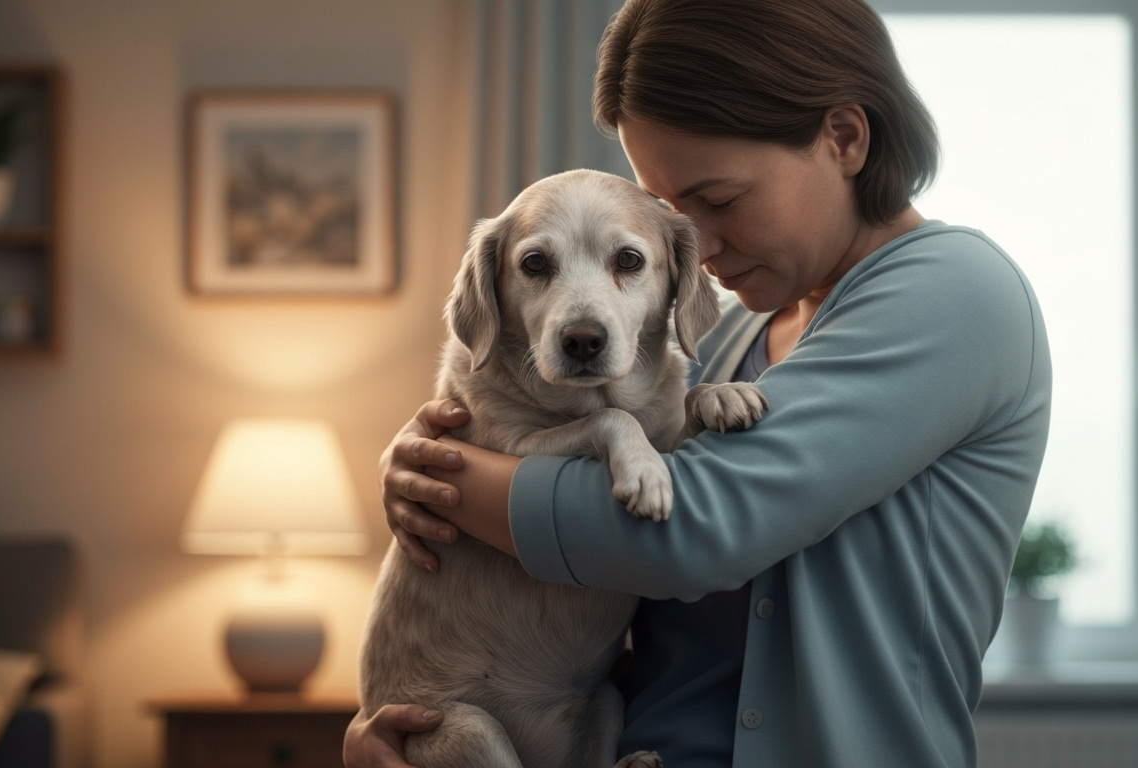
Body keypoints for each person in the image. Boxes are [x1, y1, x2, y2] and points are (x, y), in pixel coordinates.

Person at [345, 0, 1051, 766]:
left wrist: (441, 483)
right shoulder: (726, 340)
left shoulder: (956, 293)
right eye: (673, 209)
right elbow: (624, 621)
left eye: (719, 199)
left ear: (844, 138)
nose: (698, 243)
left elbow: (693, 532)